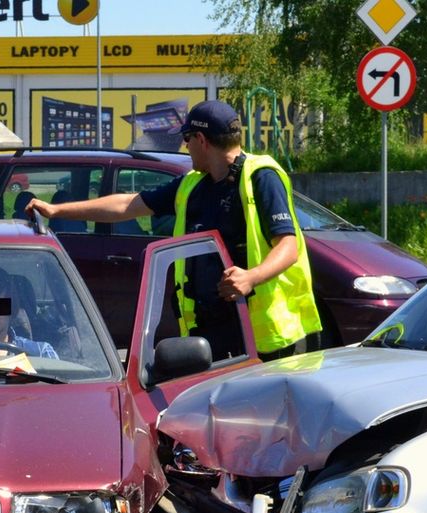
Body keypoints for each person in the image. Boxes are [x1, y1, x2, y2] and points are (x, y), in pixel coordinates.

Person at [26, 100, 320, 362]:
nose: (184, 146)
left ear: (201, 139)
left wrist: (250, 277)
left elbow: (288, 246)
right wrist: (56, 210)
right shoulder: (192, 184)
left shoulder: (261, 177)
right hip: (211, 330)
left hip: (265, 339)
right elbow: (128, 205)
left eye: (186, 139)